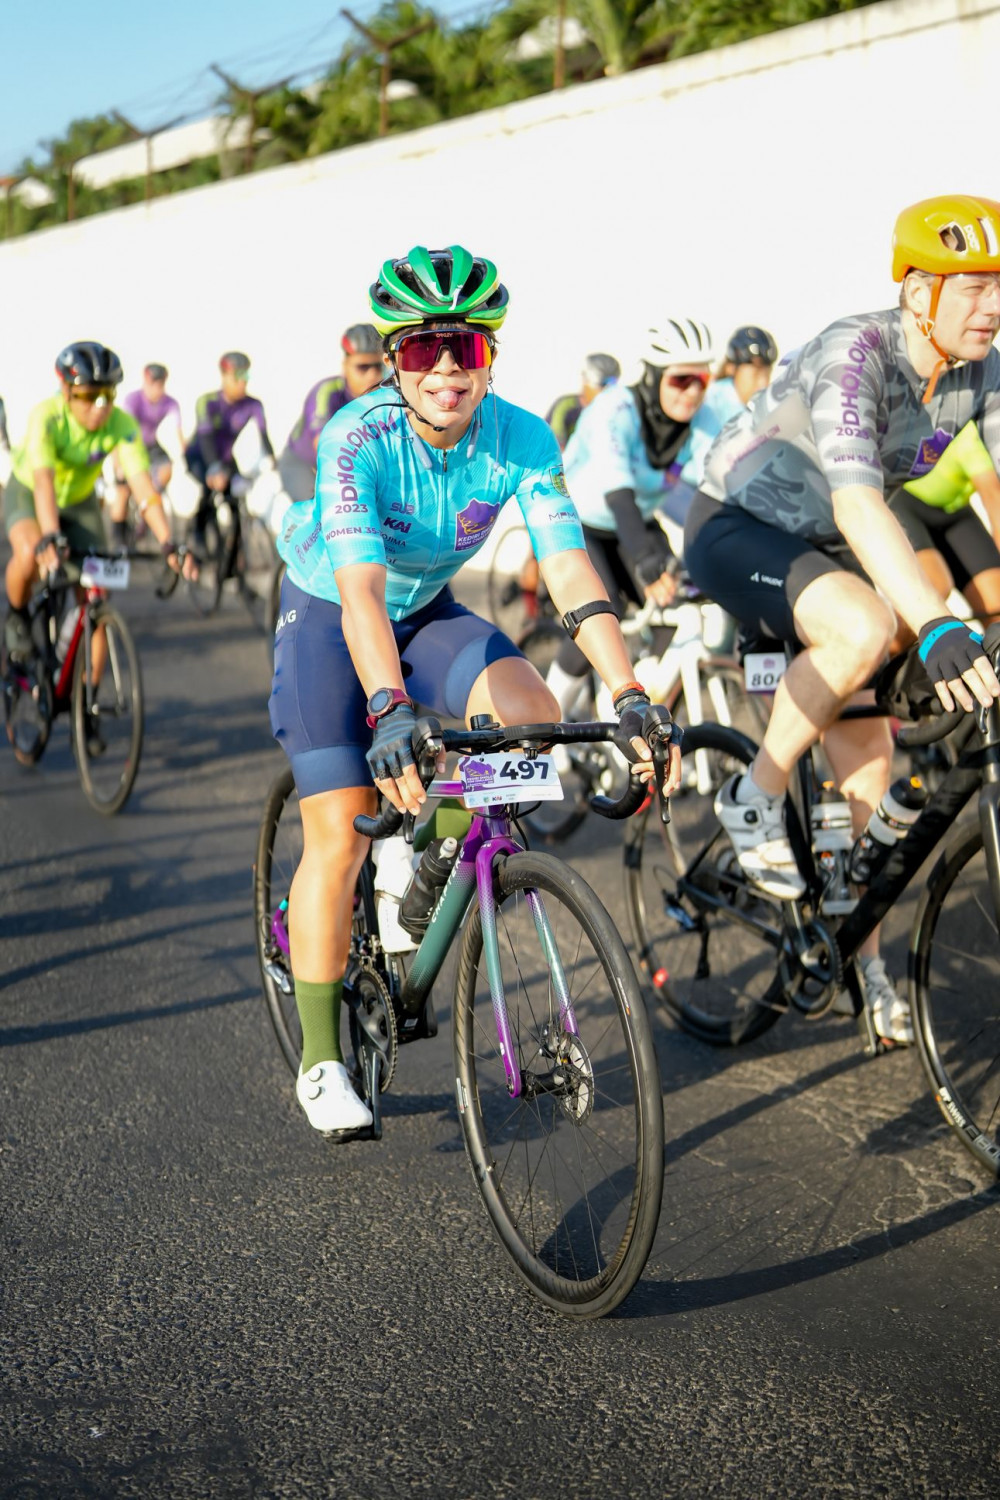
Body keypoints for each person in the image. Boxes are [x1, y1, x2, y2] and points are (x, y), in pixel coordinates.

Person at [269, 243, 681, 1134]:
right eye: (425, 348)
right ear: (394, 359)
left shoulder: (522, 437)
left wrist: (628, 690)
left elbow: (567, 565)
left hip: (426, 608)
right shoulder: (356, 439)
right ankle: (320, 1057)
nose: (448, 369)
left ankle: (423, 863)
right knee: (338, 828)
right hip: (332, 610)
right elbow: (361, 594)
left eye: (469, 347)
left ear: (492, 355)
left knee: (528, 718)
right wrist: (389, 709)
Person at [683, 194, 1000, 1046]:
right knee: (868, 625)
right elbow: (862, 505)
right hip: (736, 525)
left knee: (873, 778)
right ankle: (755, 793)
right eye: (974, 287)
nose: (993, 306)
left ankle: (863, 959)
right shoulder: (855, 352)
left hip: (825, 543)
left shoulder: (983, 371)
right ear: (917, 293)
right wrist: (937, 623)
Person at [3, 342, 191, 741]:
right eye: (90, 396)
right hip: (31, 494)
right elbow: (43, 482)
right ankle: (17, 616)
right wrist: (50, 538)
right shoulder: (46, 417)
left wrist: (167, 542)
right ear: (67, 391)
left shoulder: (120, 424)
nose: (100, 406)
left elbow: (143, 487)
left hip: (80, 502)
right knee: (30, 554)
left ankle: (85, 702)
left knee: (96, 598)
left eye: (108, 394)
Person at [545, 318, 715, 714]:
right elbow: (618, 495)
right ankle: (548, 716)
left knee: (677, 609)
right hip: (583, 519)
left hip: (636, 518)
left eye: (702, 380)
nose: (692, 392)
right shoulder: (614, 408)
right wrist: (645, 560)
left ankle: (636, 704)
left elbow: (721, 484)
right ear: (653, 377)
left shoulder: (702, 419)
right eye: (681, 380)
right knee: (600, 616)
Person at [890, 417, 1000, 628]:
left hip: (953, 508)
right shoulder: (976, 433)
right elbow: (994, 501)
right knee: (935, 587)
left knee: (996, 605)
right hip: (905, 500)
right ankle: (884, 645)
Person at [278, 325, 388, 503]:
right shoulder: (326, 392)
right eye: (362, 367)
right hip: (303, 464)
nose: (372, 375)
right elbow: (324, 447)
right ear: (345, 366)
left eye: (378, 366)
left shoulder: (386, 393)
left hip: (354, 467)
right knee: (321, 510)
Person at [184, 352, 275, 542]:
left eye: (246, 376)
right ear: (224, 376)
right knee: (209, 488)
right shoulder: (207, 402)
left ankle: (235, 550)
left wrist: (273, 460)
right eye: (237, 377)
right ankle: (199, 532)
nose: (243, 383)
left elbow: (264, 435)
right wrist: (214, 469)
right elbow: (206, 438)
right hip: (199, 455)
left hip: (225, 457)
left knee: (235, 500)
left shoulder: (253, 404)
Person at [681, 326, 778, 488]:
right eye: (755, 374)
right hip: (686, 488)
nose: (763, 383)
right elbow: (708, 472)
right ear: (732, 368)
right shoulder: (712, 403)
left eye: (767, 374)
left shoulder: (757, 407)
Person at [110, 362, 184, 547]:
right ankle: (118, 538)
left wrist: (184, 449)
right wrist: (118, 465)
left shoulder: (169, 402)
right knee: (122, 490)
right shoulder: (133, 400)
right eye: (153, 384)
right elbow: (120, 434)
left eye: (160, 385)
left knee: (167, 468)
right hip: (129, 445)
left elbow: (178, 431)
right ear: (145, 381)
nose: (157, 390)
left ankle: (148, 509)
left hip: (150, 445)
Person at [545, 352, 621, 450]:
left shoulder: (618, 410)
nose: (605, 392)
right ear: (585, 379)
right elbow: (553, 449)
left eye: (611, 386)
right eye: (600, 386)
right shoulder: (566, 406)